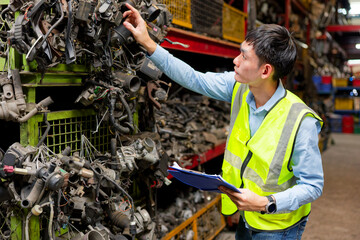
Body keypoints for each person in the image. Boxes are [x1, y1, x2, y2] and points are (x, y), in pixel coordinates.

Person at [123, 4, 324, 240]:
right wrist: (149, 43)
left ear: (265, 70)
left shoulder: (301, 120)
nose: (235, 61)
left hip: (278, 225)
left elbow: (312, 186)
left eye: (244, 57)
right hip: (246, 216)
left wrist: (266, 202)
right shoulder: (239, 87)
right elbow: (194, 79)